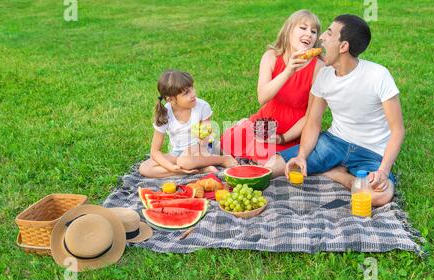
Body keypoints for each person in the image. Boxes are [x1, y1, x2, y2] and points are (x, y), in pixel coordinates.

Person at [265, 14, 405, 206]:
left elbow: (397, 130)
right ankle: (341, 173)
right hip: (334, 143)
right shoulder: (323, 76)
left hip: (371, 152)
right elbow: (313, 123)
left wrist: (383, 170)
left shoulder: (378, 76)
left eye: (329, 34)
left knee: (379, 195)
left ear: (343, 46)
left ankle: (339, 175)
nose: (320, 37)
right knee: (273, 166)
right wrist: (302, 156)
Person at [220, 9, 325, 164]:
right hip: (265, 123)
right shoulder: (271, 57)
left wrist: (283, 138)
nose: (309, 34)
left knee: (268, 160)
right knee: (227, 143)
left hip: (293, 131)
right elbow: (262, 98)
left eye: (313, 31)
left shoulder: (319, 68)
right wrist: (288, 71)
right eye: (303, 28)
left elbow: (310, 116)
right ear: (288, 31)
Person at [139, 70, 238, 178]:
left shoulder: (202, 107)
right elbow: (155, 152)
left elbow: (204, 142)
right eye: (186, 93)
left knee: (185, 162)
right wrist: (170, 167)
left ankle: (223, 159)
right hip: (177, 153)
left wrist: (204, 136)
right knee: (145, 168)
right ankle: (198, 170)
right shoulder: (165, 113)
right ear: (171, 99)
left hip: (200, 148)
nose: (193, 94)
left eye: (192, 88)